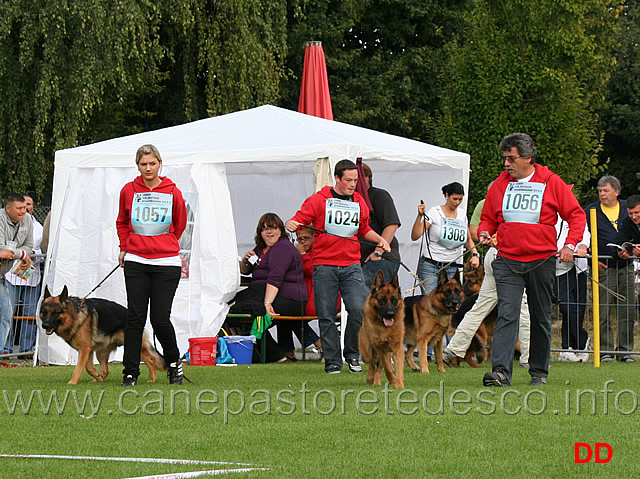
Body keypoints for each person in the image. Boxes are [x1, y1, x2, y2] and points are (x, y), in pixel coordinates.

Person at [478, 132, 585, 386]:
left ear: (527, 158)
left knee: (540, 316)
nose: (506, 164)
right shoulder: (499, 185)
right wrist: (484, 230)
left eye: (511, 159)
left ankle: (539, 371)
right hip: (507, 261)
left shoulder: (552, 182)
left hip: (541, 261)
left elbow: (576, 216)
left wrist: (570, 245)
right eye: (505, 159)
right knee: (507, 314)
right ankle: (501, 372)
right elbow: (488, 218)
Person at [285, 159, 391, 374]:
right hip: (324, 265)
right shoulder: (319, 200)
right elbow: (300, 218)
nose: (353, 184)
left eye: (355, 180)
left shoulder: (359, 201)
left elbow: (364, 229)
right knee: (325, 314)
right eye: (349, 180)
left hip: (352, 264)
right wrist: (291, 223)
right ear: (337, 178)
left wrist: (380, 239)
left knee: (358, 309)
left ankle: (351, 355)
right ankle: (332, 361)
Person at [117, 144, 187, 386]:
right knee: (135, 318)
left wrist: (162, 243)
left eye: (152, 163)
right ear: (137, 165)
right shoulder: (128, 190)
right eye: (143, 164)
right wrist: (125, 247)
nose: (148, 168)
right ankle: (130, 372)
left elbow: (179, 224)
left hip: (166, 263)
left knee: (160, 319)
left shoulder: (173, 192)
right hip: (136, 261)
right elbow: (122, 222)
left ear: (160, 164)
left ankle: (174, 363)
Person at [443, 240, 531, 369]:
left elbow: (484, 228)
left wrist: (487, 233)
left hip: (494, 254)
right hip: (511, 254)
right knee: (523, 311)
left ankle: (453, 349)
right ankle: (527, 359)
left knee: (478, 310)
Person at [233, 213, 308, 363]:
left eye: (273, 228)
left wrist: (267, 304)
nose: (269, 232)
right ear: (260, 232)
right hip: (265, 293)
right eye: (265, 229)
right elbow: (249, 271)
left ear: (281, 230)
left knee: (252, 310)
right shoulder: (261, 248)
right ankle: (269, 355)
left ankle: (276, 356)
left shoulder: (282, 248)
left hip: (289, 298)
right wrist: (245, 262)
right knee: (240, 306)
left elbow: (275, 278)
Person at [584, 176, 635, 362]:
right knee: (602, 310)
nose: (602, 194)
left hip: (626, 266)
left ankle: (625, 352)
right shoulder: (590, 210)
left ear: (617, 191)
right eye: (600, 191)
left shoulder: (627, 209)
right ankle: (604, 351)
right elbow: (582, 236)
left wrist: (630, 249)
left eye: (606, 190)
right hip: (603, 267)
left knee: (627, 310)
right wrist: (591, 260)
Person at [411, 182, 480, 294]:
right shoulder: (435, 212)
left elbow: (467, 238)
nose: (457, 202)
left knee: (449, 301)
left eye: (460, 200)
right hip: (430, 265)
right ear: (447, 196)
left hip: (451, 266)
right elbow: (415, 236)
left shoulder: (462, 214)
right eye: (455, 199)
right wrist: (419, 216)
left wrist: (475, 254)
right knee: (430, 301)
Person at [4, 195, 43, 355]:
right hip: (11, 274)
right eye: (22, 205)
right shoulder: (9, 224)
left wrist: (34, 253)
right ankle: (6, 349)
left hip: (31, 276)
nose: (26, 208)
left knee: (30, 314)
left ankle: (26, 349)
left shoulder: (38, 227)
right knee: (8, 312)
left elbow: (43, 248)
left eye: (29, 204)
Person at [554, 203, 591, 362]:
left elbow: (584, 234)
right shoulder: (551, 216)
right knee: (567, 306)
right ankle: (582, 340)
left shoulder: (577, 215)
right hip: (559, 269)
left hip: (579, 267)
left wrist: (583, 246)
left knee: (578, 307)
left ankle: (567, 347)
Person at [0, 193, 34, 354]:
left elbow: (29, 246)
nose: (23, 211)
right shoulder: (0, 219)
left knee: (6, 314)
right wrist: (21, 255)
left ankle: (0, 354)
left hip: (1, 276)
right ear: (8, 208)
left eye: (25, 207)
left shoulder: (27, 220)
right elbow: (1, 249)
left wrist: (18, 253)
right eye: (19, 208)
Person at [359, 163, 401, 289]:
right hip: (362, 259)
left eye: (362, 177)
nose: (358, 181)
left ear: (369, 178)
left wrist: (378, 252)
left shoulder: (379, 195)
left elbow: (391, 225)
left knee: (375, 301)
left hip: (380, 258)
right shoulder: (352, 199)